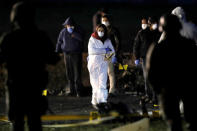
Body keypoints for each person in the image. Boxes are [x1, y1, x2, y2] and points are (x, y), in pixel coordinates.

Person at [0, 2, 59, 131]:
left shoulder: (9, 38)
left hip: (16, 86)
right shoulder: (40, 36)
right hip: (35, 86)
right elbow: (54, 59)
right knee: (35, 122)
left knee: (17, 123)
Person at [146, 14, 197, 131]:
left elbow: (151, 72)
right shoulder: (189, 45)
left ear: (162, 28)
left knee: (174, 124)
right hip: (188, 88)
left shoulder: (157, 48)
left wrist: (158, 90)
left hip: (167, 90)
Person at [87, 24, 115, 109]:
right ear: (96, 30)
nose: (101, 32)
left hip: (103, 64)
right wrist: (105, 50)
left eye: (102, 31)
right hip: (93, 64)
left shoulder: (107, 40)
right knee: (95, 84)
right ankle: (95, 101)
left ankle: (103, 100)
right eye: (99, 30)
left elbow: (112, 52)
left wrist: (106, 58)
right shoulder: (92, 39)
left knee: (102, 82)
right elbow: (92, 51)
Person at [56, 17, 84, 97]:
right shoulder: (63, 32)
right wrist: (57, 51)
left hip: (76, 54)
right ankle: (72, 90)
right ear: (66, 26)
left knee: (77, 73)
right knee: (69, 73)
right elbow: (59, 41)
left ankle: (79, 91)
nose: (70, 27)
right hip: (66, 54)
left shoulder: (78, 31)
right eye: (68, 26)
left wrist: (74, 34)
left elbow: (82, 39)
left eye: (71, 26)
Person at [101, 14, 121, 96]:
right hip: (102, 53)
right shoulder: (101, 30)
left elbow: (118, 43)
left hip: (110, 53)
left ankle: (112, 90)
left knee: (110, 72)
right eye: (103, 21)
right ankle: (103, 89)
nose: (105, 22)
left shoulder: (113, 30)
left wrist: (115, 54)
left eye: (106, 21)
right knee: (103, 72)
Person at [133, 18, 152, 97]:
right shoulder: (140, 33)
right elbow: (136, 46)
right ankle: (148, 94)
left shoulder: (152, 32)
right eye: (142, 23)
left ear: (148, 23)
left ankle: (154, 94)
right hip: (144, 58)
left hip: (153, 57)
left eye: (145, 23)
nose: (143, 24)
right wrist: (136, 57)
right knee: (146, 76)